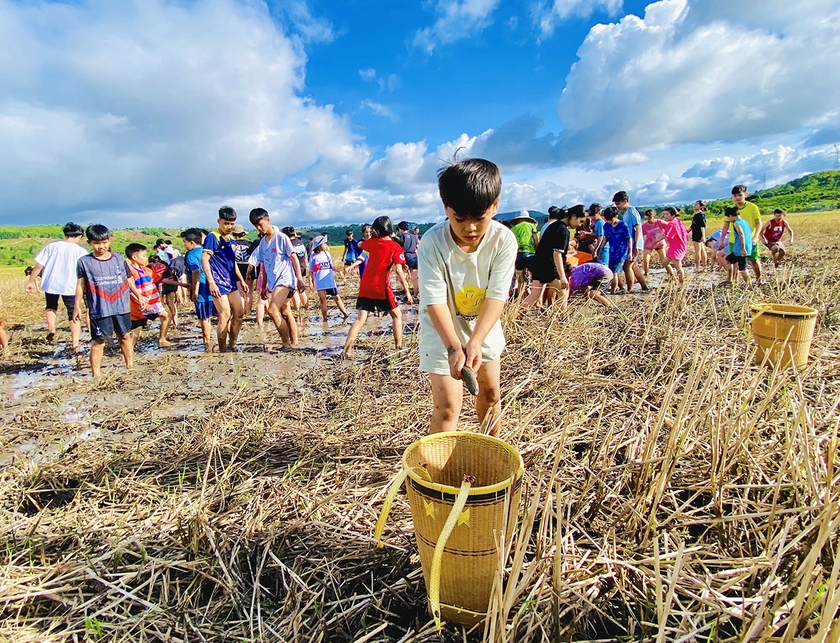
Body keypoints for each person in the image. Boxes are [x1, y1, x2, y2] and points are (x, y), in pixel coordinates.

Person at [418, 158, 516, 437]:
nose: (470, 228)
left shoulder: (503, 241)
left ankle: (491, 454)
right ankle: (435, 472)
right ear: (445, 207)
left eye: (479, 218)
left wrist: (475, 341)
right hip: (442, 331)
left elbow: (497, 296)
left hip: (483, 326)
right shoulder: (433, 243)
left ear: (495, 206)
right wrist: (453, 347)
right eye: (459, 219)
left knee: (490, 394)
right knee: (448, 406)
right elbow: (434, 300)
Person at [73, 224, 146, 378]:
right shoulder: (84, 262)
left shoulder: (119, 259)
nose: (101, 246)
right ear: (90, 243)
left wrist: (138, 295)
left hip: (121, 306)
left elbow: (128, 279)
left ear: (109, 240)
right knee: (99, 341)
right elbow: (80, 285)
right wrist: (77, 306)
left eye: (105, 242)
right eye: (97, 243)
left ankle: (130, 366)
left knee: (125, 336)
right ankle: (96, 374)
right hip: (99, 308)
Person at [342, 216, 413, 357]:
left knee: (360, 319)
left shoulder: (372, 243)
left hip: (366, 286)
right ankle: (398, 348)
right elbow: (399, 271)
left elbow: (361, 245)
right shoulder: (396, 247)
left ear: (376, 230)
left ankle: (346, 350)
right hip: (381, 288)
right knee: (397, 315)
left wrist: (372, 239)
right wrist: (407, 292)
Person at [24, 222, 88, 350]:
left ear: (65, 234)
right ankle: (75, 342)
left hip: (51, 283)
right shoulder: (81, 251)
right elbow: (85, 272)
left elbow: (38, 266)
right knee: (73, 313)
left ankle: (52, 328)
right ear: (79, 235)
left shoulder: (52, 246)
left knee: (51, 306)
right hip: (70, 285)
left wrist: (30, 281)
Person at [248, 208, 305, 349]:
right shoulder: (262, 244)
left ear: (268, 220)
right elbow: (266, 266)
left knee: (272, 310)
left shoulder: (281, 238)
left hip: (285, 280)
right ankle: (295, 342)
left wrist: (299, 278)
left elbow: (293, 257)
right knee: (285, 312)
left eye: (260, 224)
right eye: (256, 226)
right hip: (273, 283)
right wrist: (263, 287)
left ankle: (286, 344)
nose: (259, 228)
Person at [202, 206, 249, 352]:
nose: (229, 227)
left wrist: (241, 280)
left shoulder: (231, 241)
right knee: (225, 314)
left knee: (239, 312)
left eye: (232, 223)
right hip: (218, 282)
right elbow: (204, 259)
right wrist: (211, 283)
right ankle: (222, 350)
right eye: (226, 223)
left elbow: (232, 262)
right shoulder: (212, 237)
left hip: (230, 282)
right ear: (219, 221)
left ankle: (232, 344)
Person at [525, 205, 584, 309]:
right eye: (581, 221)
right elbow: (557, 255)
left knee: (534, 295)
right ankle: (562, 321)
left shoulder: (553, 225)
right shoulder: (563, 230)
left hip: (539, 263)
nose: (580, 224)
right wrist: (562, 277)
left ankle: (517, 317)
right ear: (573, 216)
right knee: (564, 292)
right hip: (550, 266)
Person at [125, 243, 171, 348]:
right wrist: (144, 303)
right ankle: (128, 350)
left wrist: (183, 284)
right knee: (136, 330)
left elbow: (161, 280)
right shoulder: (130, 271)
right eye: (144, 256)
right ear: (134, 257)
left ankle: (162, 339)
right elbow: (130, 290)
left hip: (153, 303)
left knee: (166, 316)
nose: (146, 258)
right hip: (140, 305)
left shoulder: (147, 270)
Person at [181, 228, 215, 352]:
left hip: (202, 289)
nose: (184, 245)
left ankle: (207, 342)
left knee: (204, 317)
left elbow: (196, 272)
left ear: (191, 242)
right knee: (216, 316)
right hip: (215, 286)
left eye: (184, 242)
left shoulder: (191, 255)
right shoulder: (208, 251)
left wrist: (194, 292)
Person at [308, 235, 350, 322]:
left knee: (337, 298)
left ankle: (345, 314)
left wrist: (339, 271)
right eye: (324, 243)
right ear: (320, 245)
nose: (326, 245)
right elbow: (311, 271)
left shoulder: (327, 254)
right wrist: (310, 283)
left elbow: (332, 266)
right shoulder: (313, 257)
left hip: (330, 281)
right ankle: (325, 318)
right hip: (319, 282)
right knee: (322, 300)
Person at [613, 191, 648, 291]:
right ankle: (644, 286)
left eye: (618, 204)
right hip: (631, 244)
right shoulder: (625, 213)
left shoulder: (632, 211)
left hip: (634, 244)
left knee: (627, 266)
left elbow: (637, 227)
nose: (617, 206)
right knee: (632, 266)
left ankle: (630, 289)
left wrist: (636, 244)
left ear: (625, 201)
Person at [731, 185, 762, 281]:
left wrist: (756, 236)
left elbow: (758, 222)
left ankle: (759, 279)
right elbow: (726, 224)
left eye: (739, 195)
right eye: (734, 195)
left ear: (745, 195)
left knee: (753, 260)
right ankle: (736, 282)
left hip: (750, 239)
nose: (737, 197)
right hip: (735, 241)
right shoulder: (731, 209)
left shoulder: (752, 207)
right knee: (735, 262)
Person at [716, 207, 753, 286]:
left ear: (730, 216)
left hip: (740, 249)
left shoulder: (736, 223)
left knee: (742, 268)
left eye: (728, 217)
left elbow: (741, 235)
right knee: (729, 259)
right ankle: (730, 279)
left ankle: (749, 285)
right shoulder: (745, 222)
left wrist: (743, 249)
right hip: (745, 247)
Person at [601, 207, 632, 294]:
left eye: (611, 219)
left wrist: (630, 252)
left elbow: (628, 238)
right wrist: (601, 248)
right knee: (612, 270)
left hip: (622, 251)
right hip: (612, 251)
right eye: (608, 220)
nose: (610, 222)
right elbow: (606, 238)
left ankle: (612, 292)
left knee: (613, 272)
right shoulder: (606, 226)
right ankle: (622, 289)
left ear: (616, 216)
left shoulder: (623, 225)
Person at [509, 210, 539, 297]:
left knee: (520, 278)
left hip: (519, 254)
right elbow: (535, 240)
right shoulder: (531, 226)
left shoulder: (514, 229)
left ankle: (520, 298)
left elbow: (514, 244)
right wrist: (537, 251)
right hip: (531, 253)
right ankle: (534, 297)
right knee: (534, 277)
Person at [661, 207, 689, 284]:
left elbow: (667, 236)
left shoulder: (671, 224)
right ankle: (672, 278)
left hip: (676, 248)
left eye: (667, 214)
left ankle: (681, 285)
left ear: (673, 215)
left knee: (679, 268)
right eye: (664, 214)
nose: (665, 216)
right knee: (664, 262)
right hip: (676, 246)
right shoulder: (678, 221)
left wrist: (654, 241)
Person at [397, 221, 420, 299]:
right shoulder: (414, 236)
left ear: (400, 229)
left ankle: (407, 293)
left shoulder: (401, 236)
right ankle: (416, 294)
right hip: (414, 256)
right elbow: (417, 246)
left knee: (404, 276)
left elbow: (401, 247)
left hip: (406, 256)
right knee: (415, 277)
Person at [641, 209, 667, 276]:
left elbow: (670, 227)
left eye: (650, 217)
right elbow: (643, 236)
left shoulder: (659, 222)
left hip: (659, 243)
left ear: (654, 216)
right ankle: (646, 274)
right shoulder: (644, 226)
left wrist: (665, 235)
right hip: (649, 244)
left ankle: (670, 273)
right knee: (646, 260)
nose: (649, 220)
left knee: (664, 261)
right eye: (647, 218)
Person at [691, 200, 708, 268]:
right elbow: (693, 225)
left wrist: (703, 236)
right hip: (696, 233)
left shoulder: (701, 215)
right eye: (695, 204)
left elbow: (702, 226)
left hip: (698, 234)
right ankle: (704, 265)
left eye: (697, 204)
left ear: (701, 207)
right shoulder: (696, 215)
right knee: (701, 250)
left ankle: (697, 266)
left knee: (697, 251)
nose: (695, 205)